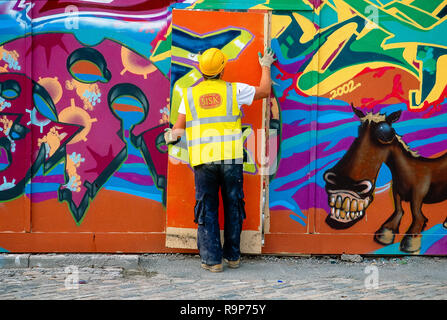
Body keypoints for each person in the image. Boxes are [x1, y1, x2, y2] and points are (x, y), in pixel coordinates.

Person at [165, 47, 276, 272]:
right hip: (231, 158)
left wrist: (169, 138)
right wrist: (265, 64)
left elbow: (177, 132)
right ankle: (233, 257)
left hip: (203, 160)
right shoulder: (234, 90)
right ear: (222, 68)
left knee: (207, 208)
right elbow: (265, 90)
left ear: (201, 69)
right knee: (233, 205)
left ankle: (212, 260)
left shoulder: (189, 95)